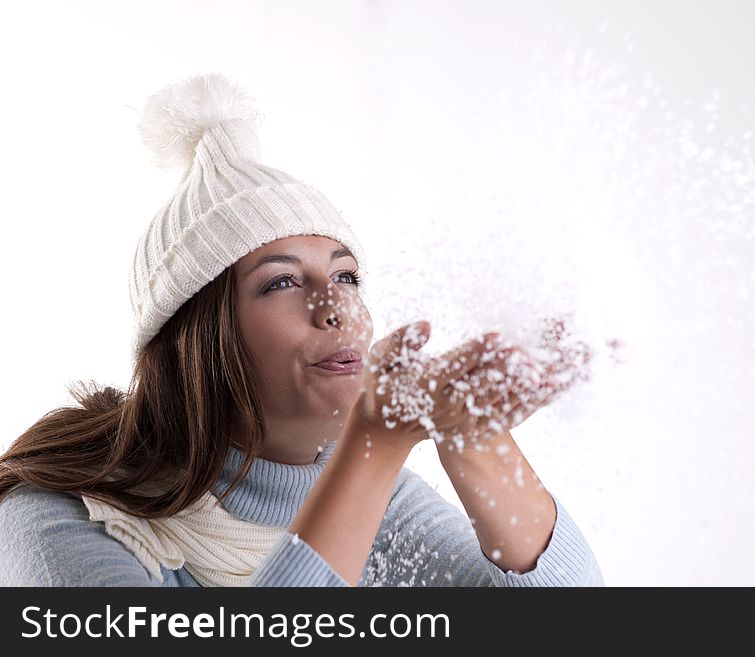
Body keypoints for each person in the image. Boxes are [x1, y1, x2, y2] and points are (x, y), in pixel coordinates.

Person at [0, 74, 603, 587]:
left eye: (347, 277)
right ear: (197, 343)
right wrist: (372, 447)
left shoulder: (383, 503)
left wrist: (474, 437)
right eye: (282, 283)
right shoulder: (55, 518)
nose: (335, 307)